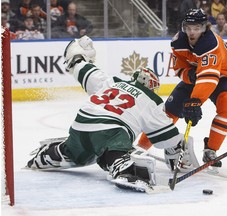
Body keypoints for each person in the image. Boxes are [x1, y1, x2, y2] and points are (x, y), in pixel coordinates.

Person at [26, 35, 198, 188]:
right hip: (110, 132)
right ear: (152, 87)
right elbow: (166, 138)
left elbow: (77, 63)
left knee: (76, 151)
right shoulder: (150, 101)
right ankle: (123, 165)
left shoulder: (110, 82)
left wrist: (79, 51)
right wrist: (179, 146)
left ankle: (55, 152)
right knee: (115, 146)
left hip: (81, 125)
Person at [138, 8, 227, 168]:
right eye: (189, 28)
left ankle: (210, 150)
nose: (192, 32)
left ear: (205, 28)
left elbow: (209, 78)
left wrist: (195, 101)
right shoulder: (179, 41)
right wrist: (188, 75)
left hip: (222, 77)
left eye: (197, 28)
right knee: (169, 112)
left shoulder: (211, 44)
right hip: (197, 77)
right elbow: (178, 68)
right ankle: (139, 148)